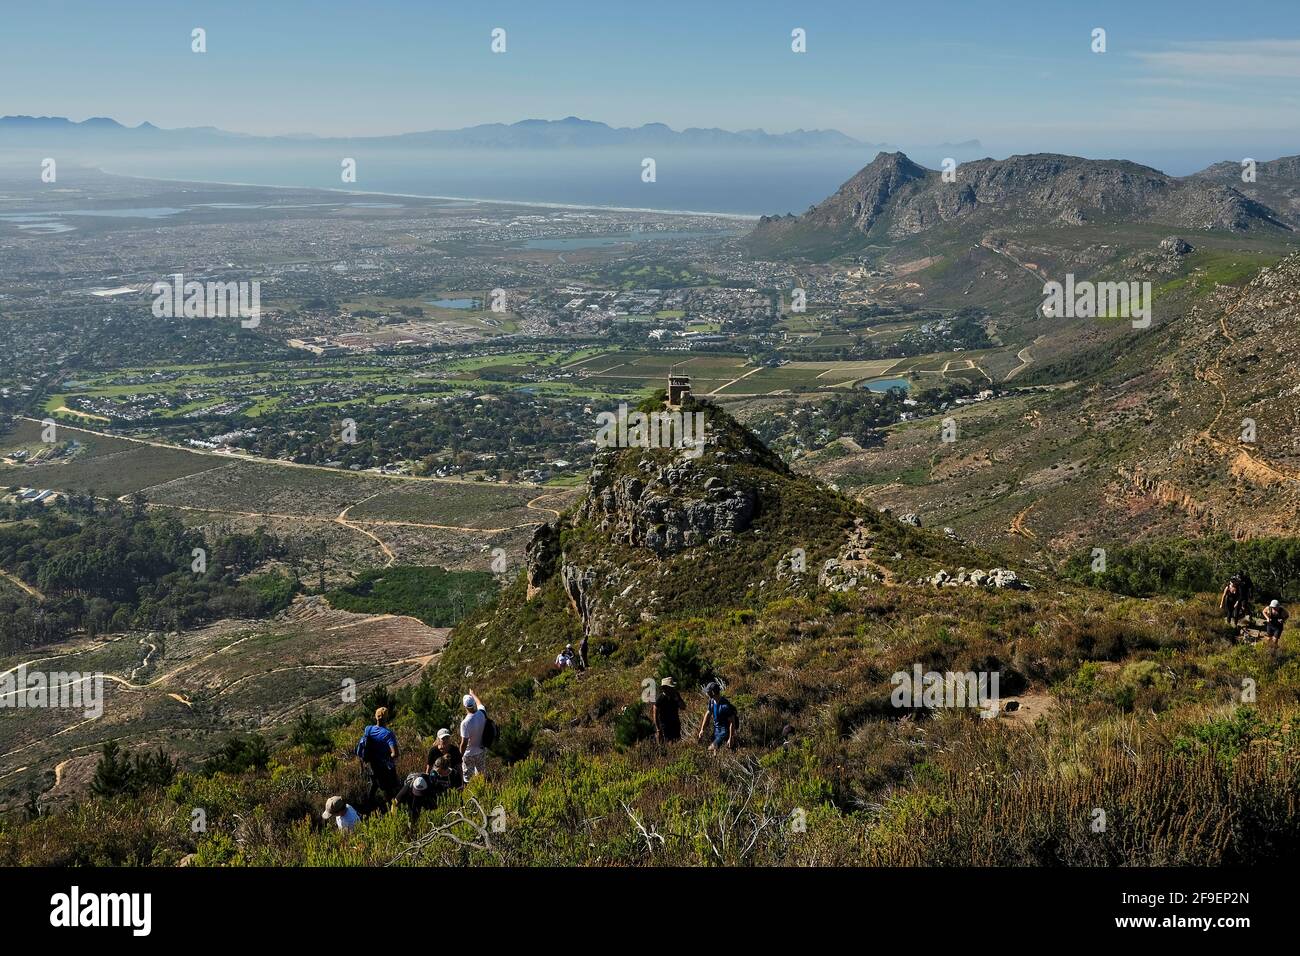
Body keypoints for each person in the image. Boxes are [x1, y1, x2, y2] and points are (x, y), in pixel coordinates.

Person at [357, 706, 400, 805]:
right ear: (386, 718)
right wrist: (388, 757)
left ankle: (369, 803)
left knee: (374, 783)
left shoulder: (368, 729)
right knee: (389, 789)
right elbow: (395, 754)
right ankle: (391, 809)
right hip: (383, 767)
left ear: (375, 717)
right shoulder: (388, 734)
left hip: (371, 764)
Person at [697, 681, 738, 752]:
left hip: (724, 732)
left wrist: (731, 738)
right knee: (714, 752)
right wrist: (702, 730)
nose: (706, 693)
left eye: (708, 692)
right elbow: (708, 714)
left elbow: (732, 722)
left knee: (710, 749)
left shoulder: (725, 706)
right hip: (716, 731)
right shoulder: (712, 701)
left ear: (712, 692)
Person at [459, 690, 489, 783]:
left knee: (468, 778)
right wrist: (473, 694)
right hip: (481, 750)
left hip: (469, 754)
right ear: (474, 704)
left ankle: (470, 793)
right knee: (481, 775)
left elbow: (464, 743)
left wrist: (460, 755)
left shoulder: (465, 723)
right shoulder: (482, 714)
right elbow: (479, 703)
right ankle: (482, 791)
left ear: (465, 706)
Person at [651, 676, 683, 743]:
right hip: (665, 726)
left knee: (677, 742)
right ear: (665, 688)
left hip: (675, 724)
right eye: (671, 687)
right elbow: (655, 714)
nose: (673, 688)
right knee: (668, 743)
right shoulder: (660, 699)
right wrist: (658, 729)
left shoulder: (676, 695)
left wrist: (677, 699)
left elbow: (683, 707)